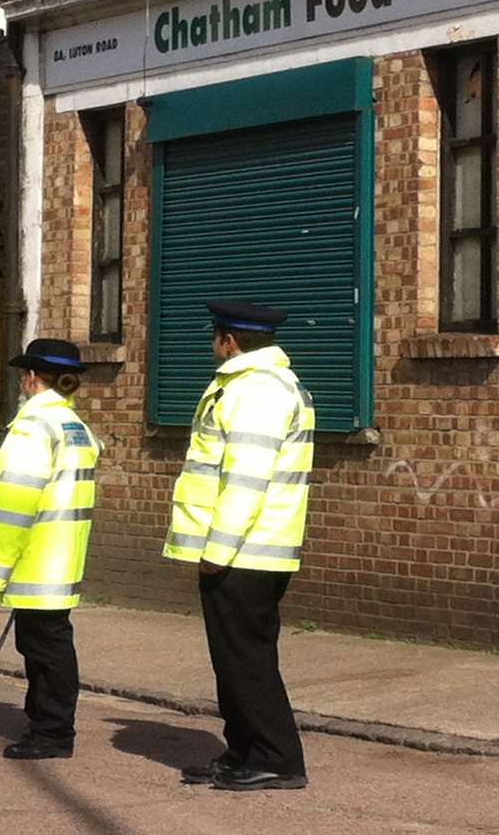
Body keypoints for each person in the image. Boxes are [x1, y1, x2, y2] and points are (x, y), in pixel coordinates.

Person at [165, 300, 315, 791]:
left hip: (246, 551)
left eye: (216, 337)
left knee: (247, 658)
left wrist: (218, 549)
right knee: (232, 657)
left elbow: (246, 479)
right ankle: (244, 751)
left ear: (230, 340)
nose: (213, 346)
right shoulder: (249, 385)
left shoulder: (256, 392)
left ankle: (277, 757)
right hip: (249, 548)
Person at [0, 338, 101, 761]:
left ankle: (51, 733)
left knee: (45, 650)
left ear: (30, 378)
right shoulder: (75, 426)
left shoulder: (31, 426)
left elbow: (16, 502)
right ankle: (49, 725)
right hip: (65, 553)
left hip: (36, 555)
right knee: (52, 645)